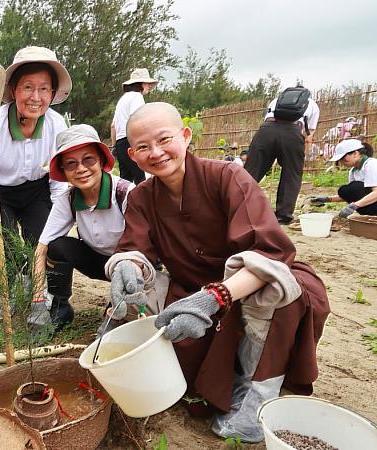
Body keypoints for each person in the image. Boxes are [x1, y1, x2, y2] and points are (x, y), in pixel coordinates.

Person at [107, 102, 329, 442]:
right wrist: (126, 265)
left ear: (185, 136)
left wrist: (216, 296)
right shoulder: (140, 197)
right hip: (191, 289)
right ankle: (222, 373)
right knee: (185, 377)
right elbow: (135, 248)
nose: (156, 152)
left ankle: (257, 394)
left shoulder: (228, 176)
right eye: (142, 147)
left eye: (164, 139)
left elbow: (270, 252)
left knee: (286, 288)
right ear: (132, 156)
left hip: (250, 285)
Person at [0, 46, 71, 317]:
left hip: (37, 191)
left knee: (47, 243)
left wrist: (58, 217)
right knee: (7, 247)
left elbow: (60, 178)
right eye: (28, 87)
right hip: (1, 193)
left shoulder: (56, 125)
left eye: (44, 89)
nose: (36, 97)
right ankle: (7, 293)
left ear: (53, 93)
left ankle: (50, 302)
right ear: (13, 90)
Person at [28, 124, 133, 333]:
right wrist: (38, 302)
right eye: (71, 164)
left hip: (132, 266)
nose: (81, 169)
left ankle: (123, 305)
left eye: (88, 159)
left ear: (101, 161)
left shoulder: (125, 192)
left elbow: (145, 246)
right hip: (99, 263)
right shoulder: (67, 200)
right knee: (56, 246)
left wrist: (117, 304)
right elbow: (41, 249)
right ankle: (61, 308)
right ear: (64, 172)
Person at [245, 86, 320, 224]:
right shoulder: (313, 105)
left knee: (251, 171)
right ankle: (283, 216)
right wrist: (302, 154)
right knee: (291, 174)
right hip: (292, 132)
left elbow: (267, 118)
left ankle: (235, 206)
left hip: (266, 130)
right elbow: (308, 135)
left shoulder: (276, 100)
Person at [311, 139, 377, 217]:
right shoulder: (354, 170)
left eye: (344, 157)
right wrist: (327, 199)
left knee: (353, 188)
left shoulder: (371, 164)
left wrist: (354, 206)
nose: (342, 161)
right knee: (345, 190)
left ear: (356, 154)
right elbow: (351, 195)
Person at [111, 68, 157, 184]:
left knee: (125, 182)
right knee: (142, 179)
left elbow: (113, 126)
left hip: (120, 143)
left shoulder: (122, 100)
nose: (149, 86)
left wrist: (115, 146)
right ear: (140, 84)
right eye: (147, 83)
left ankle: (125, 202)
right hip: (131, 141)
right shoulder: (136, 97)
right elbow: (137, 119)